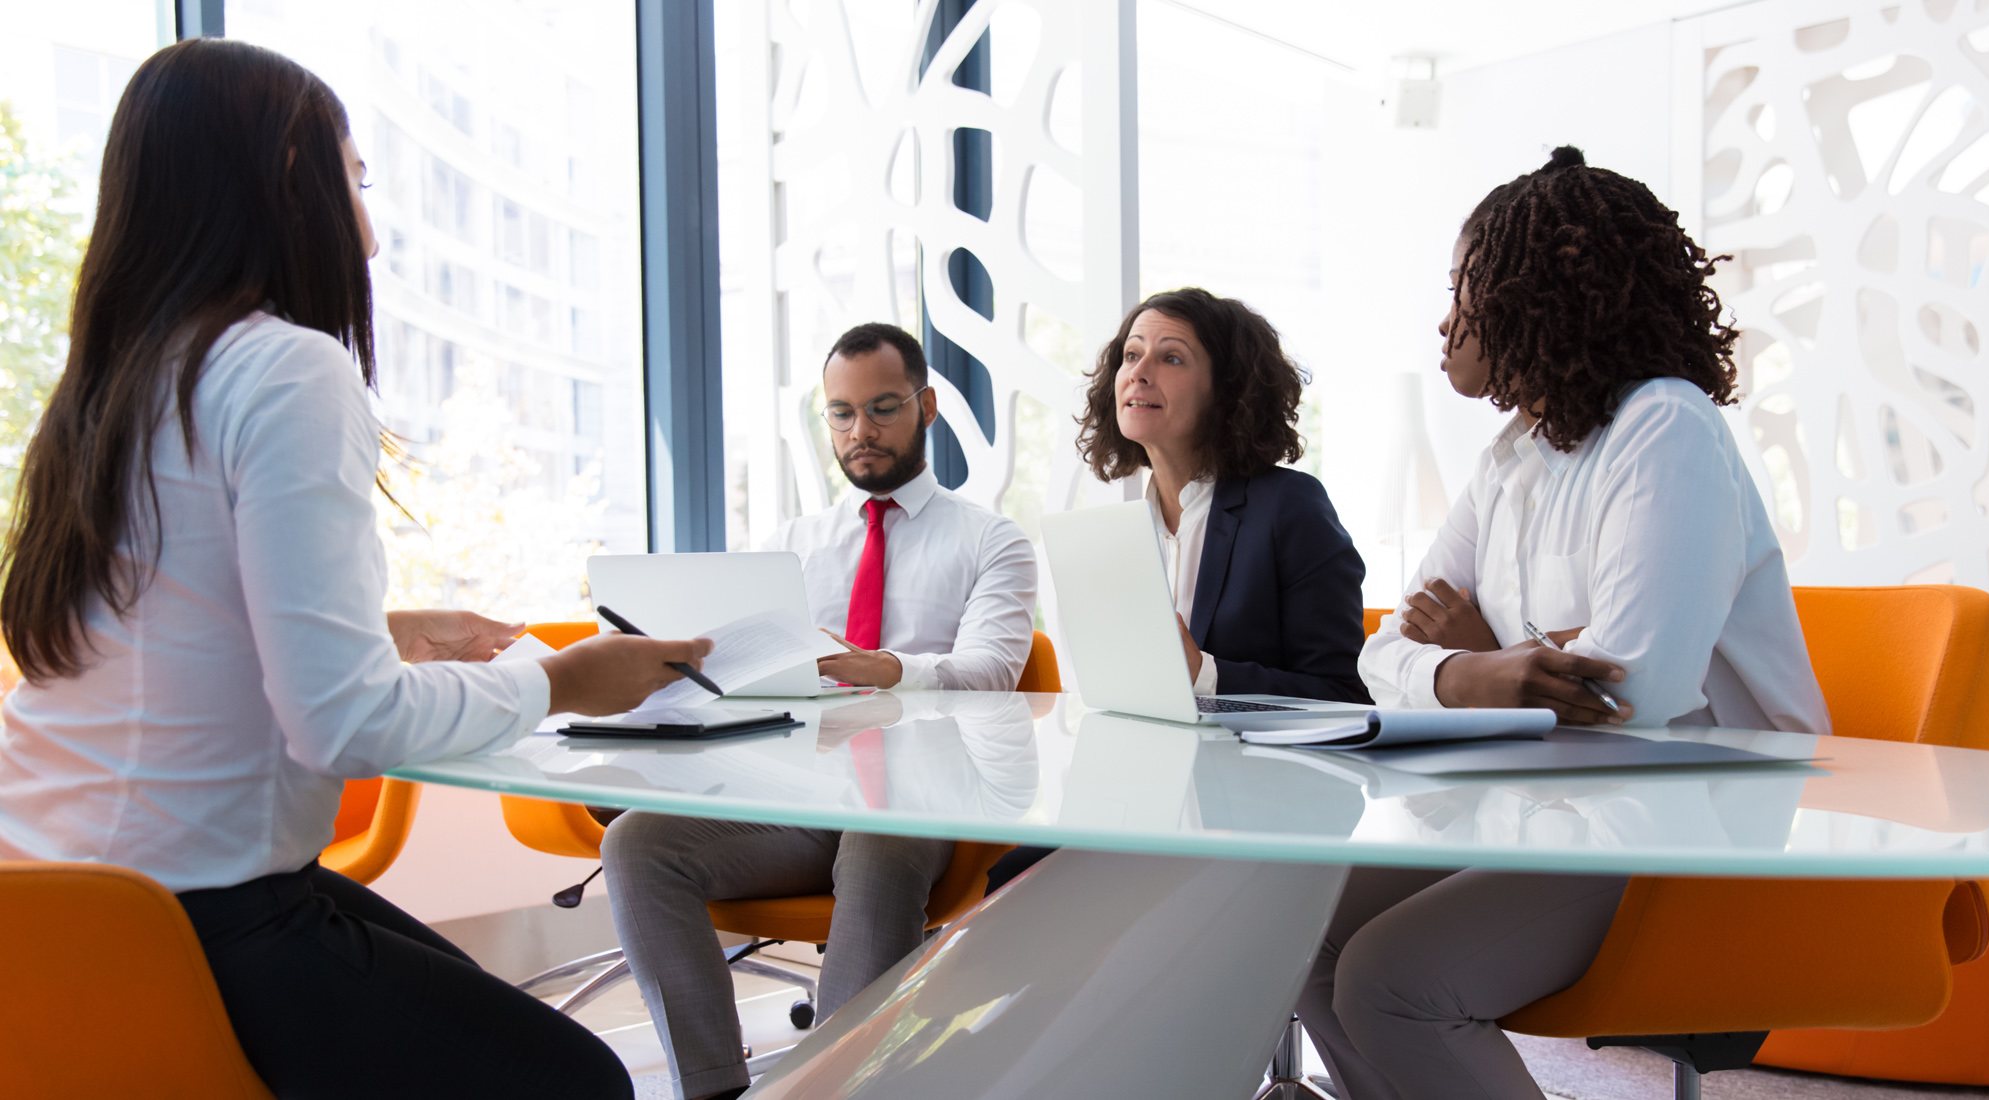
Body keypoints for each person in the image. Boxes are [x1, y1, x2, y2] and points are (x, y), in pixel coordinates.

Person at [0, 39, 712, 1098]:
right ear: (291, 179)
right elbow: (343, 725)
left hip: (46, 901)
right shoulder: (284, 365)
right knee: (579, 1081)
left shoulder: (112, 384)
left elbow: (158, 637)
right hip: (196, 913)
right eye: (355, 175)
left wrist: (389, 629)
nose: (368, 231)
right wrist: (562, 678)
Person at [1294, 146, 1832, 1100]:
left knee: (1392, 981)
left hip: (1700, 832)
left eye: (1464, 286)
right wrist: (1480, 672)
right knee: (1298, 935)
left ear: (1532, 293)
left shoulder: (1667, 429)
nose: (1445, 319)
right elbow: (1383, 652)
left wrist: (1481, 656)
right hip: (1565, 813)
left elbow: (1633, 691)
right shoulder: (1512, 456)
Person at [600, 322, 1037, 1100]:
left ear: (927, 406)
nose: (859, 432)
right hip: (802, 797)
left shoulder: (991, 539)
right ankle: (712, 1086)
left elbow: (998, 672)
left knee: (876, 839)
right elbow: (749, 674)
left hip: (922, 802)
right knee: (637, 840)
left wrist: (891, 670)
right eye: (840, 413)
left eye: (881, 408)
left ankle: (831, 1090)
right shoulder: (793, 544)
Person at [988, 287, 1369, 891]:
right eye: (1130, 355)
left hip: (1248, 825)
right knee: (1005, 890)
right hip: (1138, 804)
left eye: (1171, 358)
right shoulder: (1118, 529)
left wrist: (1203, 674)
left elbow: (1345, 700)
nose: (1138, 372)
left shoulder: (1289, 508)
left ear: (1228, 389)